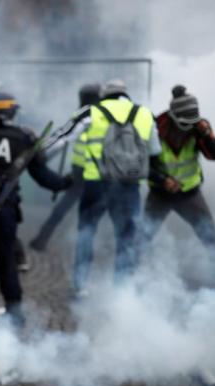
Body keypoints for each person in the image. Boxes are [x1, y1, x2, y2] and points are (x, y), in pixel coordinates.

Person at [0, 90, 72, 324]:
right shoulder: (22, 138)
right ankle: (14, 311)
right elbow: (43, 176)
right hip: (4, 210)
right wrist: (64, 183)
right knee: (6, 260)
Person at [71, 79, 161, 297]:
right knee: (127, 237)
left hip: (96, 182)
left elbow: (74, 143)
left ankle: (80, 285)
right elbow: (155, 151)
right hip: (129, 185)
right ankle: (122, 289)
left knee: (86, 232)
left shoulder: (91, 113)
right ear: (125, 94)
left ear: (104, 95)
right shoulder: (144, 114)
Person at [141, 85, 215, 275]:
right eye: (185, 122)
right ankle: (127, 282)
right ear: (173, 116)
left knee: (211, 238)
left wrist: (207, 135)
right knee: (142, 238)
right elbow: (141, 163)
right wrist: (162, 180)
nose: (189, 127)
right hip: (160, 195)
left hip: (190, 194)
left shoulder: (200, 128)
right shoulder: (155, 128)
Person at [30, 82, 101, 251]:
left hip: (80, 171)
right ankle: (85, 246)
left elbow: (63, 137)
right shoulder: (102, 115)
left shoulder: (83, 114)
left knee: (62, 209)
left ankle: (42, 239)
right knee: (92, 211)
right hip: (96, 172)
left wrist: (43, 155)